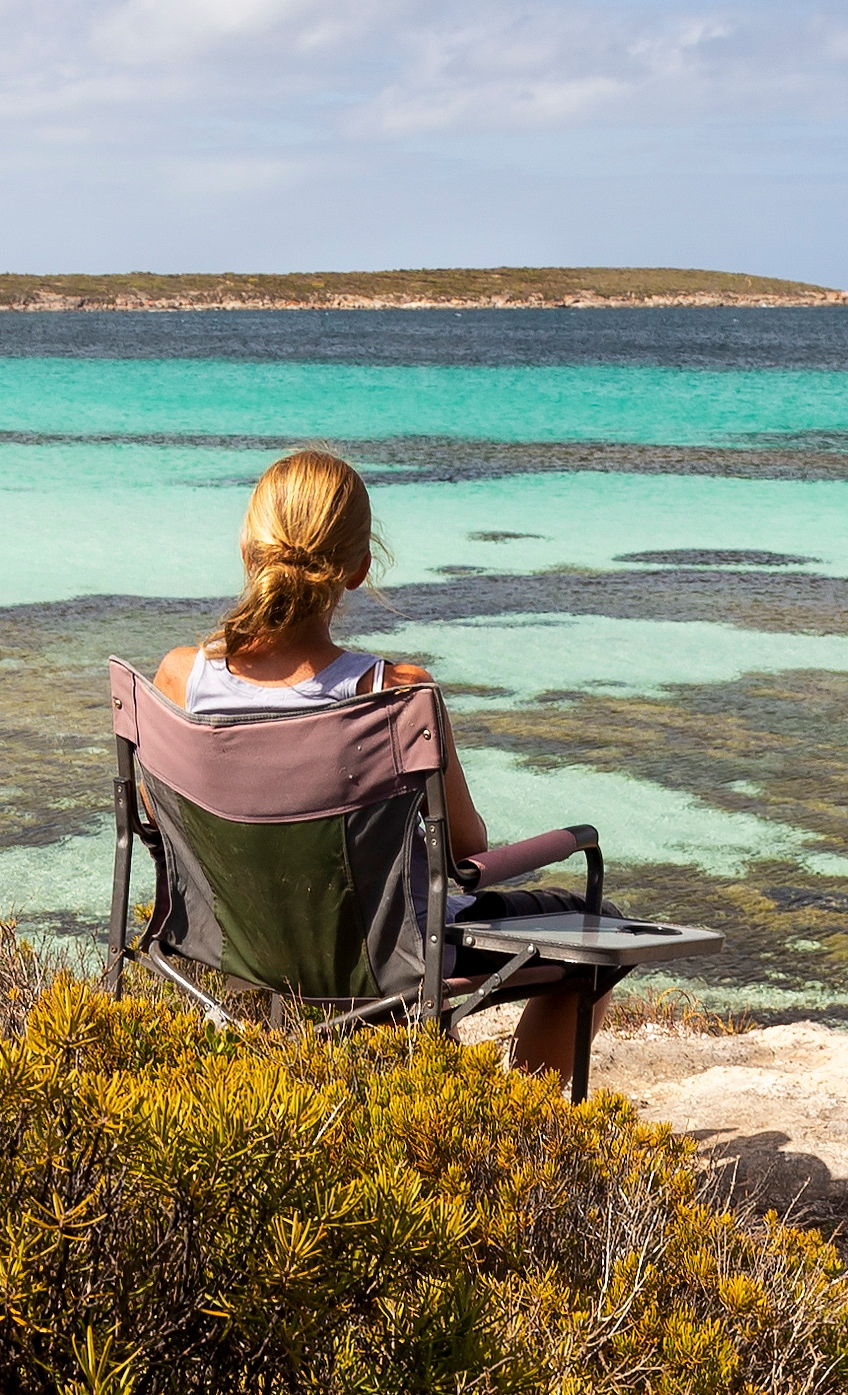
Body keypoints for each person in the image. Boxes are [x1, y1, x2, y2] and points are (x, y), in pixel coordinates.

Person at [151, 445, 605, 1086]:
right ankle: (528, 1133)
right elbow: (465, 850)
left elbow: (163, 821)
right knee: (598, 934)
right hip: (381, 958)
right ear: (359, 568)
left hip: (236, 944)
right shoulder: (396, 693)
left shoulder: (179, 679)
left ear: (249, 552)